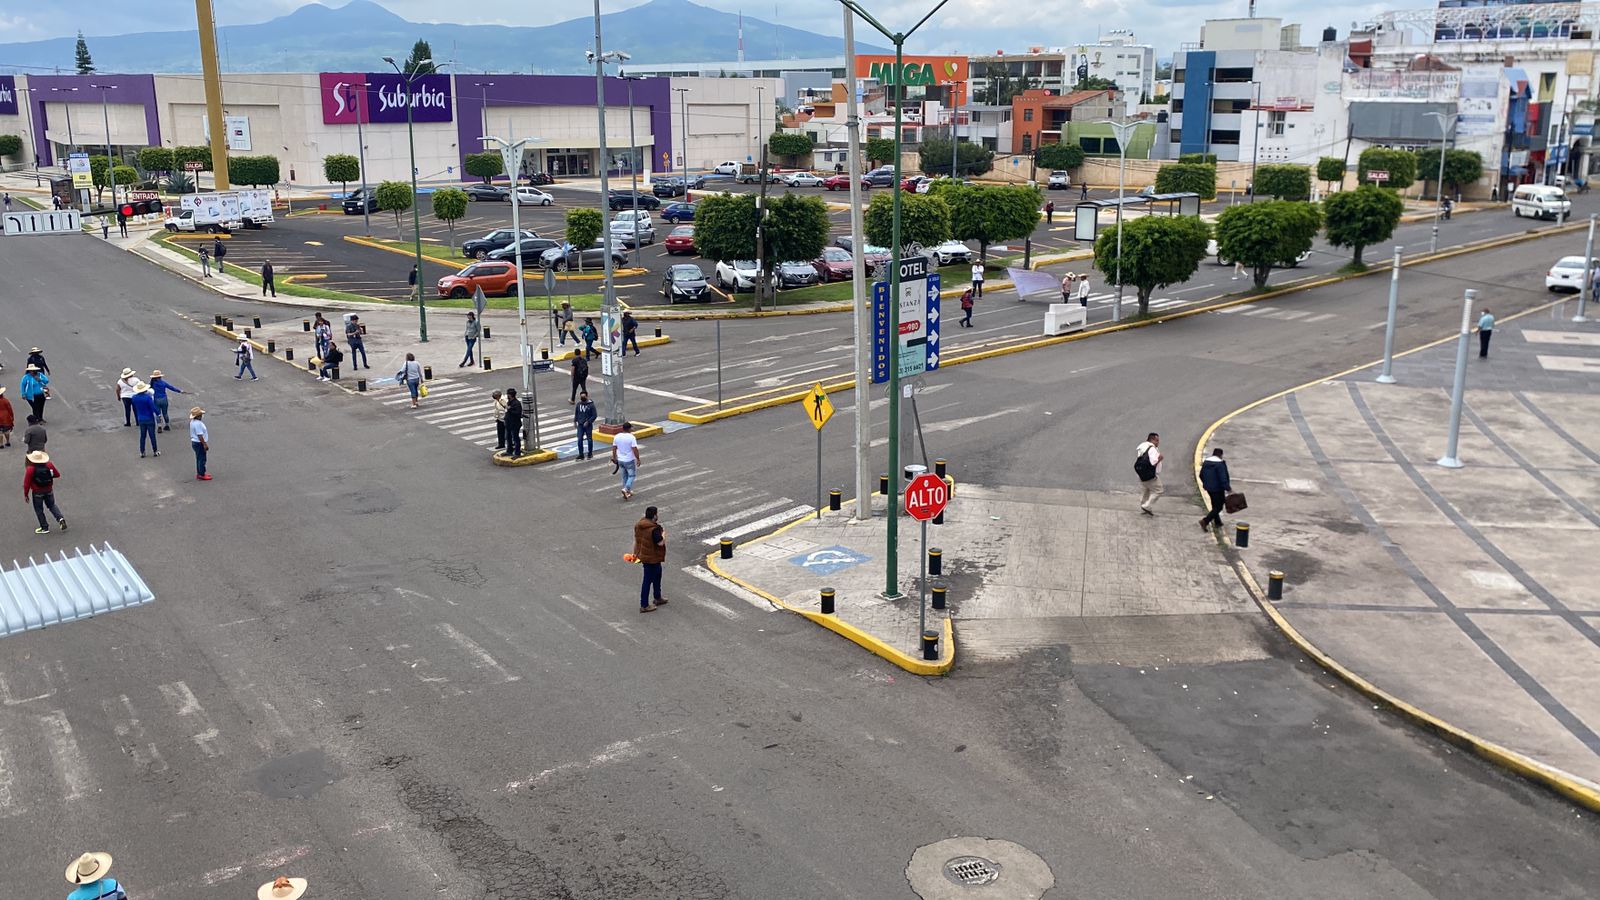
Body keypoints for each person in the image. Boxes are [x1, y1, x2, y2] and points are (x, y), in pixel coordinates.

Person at [633, 505, 667, 613]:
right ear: (654, 516)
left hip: (644, 556)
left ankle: (658, 597)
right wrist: (664, 535)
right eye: (657, 514)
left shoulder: (639, 525)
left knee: (657, 575)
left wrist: (635, 554)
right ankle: (644, 605)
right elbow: (660, 543)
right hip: (653, 558)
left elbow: (637, 540)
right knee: (648, 580)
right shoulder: (654, 529)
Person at [24, 450, 66, 535]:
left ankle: (44, 527)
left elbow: (26, 483)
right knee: (52, 505)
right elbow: (57, 474)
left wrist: (26, 494)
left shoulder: (30, 469)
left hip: (37, 492)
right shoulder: (49, 465)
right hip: (49, 490)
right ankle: (60, 518)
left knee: (39, 510)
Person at [1198, 447, 1232, 531]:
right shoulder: (1220, 464)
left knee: (1214, 505)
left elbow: (1201, 475)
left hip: (1209, 488)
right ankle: (1205, 521)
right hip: (1218, 489)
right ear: (1220, 455)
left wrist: (1206, 484)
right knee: (1219, 507)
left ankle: (1217, 522)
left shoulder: (1206, 463)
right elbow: (1223, 478)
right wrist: (1228, 488)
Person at [1135, 432, 1163, 516]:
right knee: (1159, 490)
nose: (1158, 442)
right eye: (1157, 440)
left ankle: (1144, 507)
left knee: (1145, 490)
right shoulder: (1152, 449)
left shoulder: (1142, 446)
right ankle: (1147, 506)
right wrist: (1159, 459)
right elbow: (1153, 462)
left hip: (1141, 473)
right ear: (1152, 440)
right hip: (1150, 475)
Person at [612, 421, 639, 500]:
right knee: (631, 475)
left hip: (620, 460)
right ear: (629, 429)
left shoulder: (617, 436)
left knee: (624, 476)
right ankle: (626, 489)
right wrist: (638, 459)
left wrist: (614, 458)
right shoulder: (631, 437)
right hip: (629, 460)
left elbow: (614, 448)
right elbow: (635, 449)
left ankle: (628, 492)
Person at [131, 382, 159, 458]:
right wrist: (158, 414)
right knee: (152, 435)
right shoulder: (147, 397)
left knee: (142, 436)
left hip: (140, 418)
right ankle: (155, 451)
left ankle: (142, 451)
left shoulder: (134, 398)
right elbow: (153, 407)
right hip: (149, 418)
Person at [190, 406, 211, 481]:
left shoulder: (193, 422)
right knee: (202, 459)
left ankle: (200, 473)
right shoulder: (198, 424)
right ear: (198, 416)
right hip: (199, 443)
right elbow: (200, 435)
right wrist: (204, 444)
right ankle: (202, 474)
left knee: (199, 458)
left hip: (195, 442)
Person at [574, 390, 597, 460]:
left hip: (588, 426)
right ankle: (581, 454)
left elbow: (594, 415)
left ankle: (590, 453)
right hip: (580, 425)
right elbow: (576, 413)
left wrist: (588, 422)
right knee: (579, 439)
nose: (582, 399)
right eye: (581, 397)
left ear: (587, 396)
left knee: (589, 439)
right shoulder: (578, 404)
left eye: (583, 397)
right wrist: (575, 421)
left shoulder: (591, 405)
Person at [503, 387, 523, 457]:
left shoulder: (516, 403)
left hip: (515, 424)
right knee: (508, 437)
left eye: (508, 394)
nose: (507, 396)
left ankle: (517, 453)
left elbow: (518, 413)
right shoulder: (509, 402)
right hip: (508, 423)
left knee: (515, 438)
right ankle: (509, 451)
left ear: (510, 395)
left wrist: (510, 409)